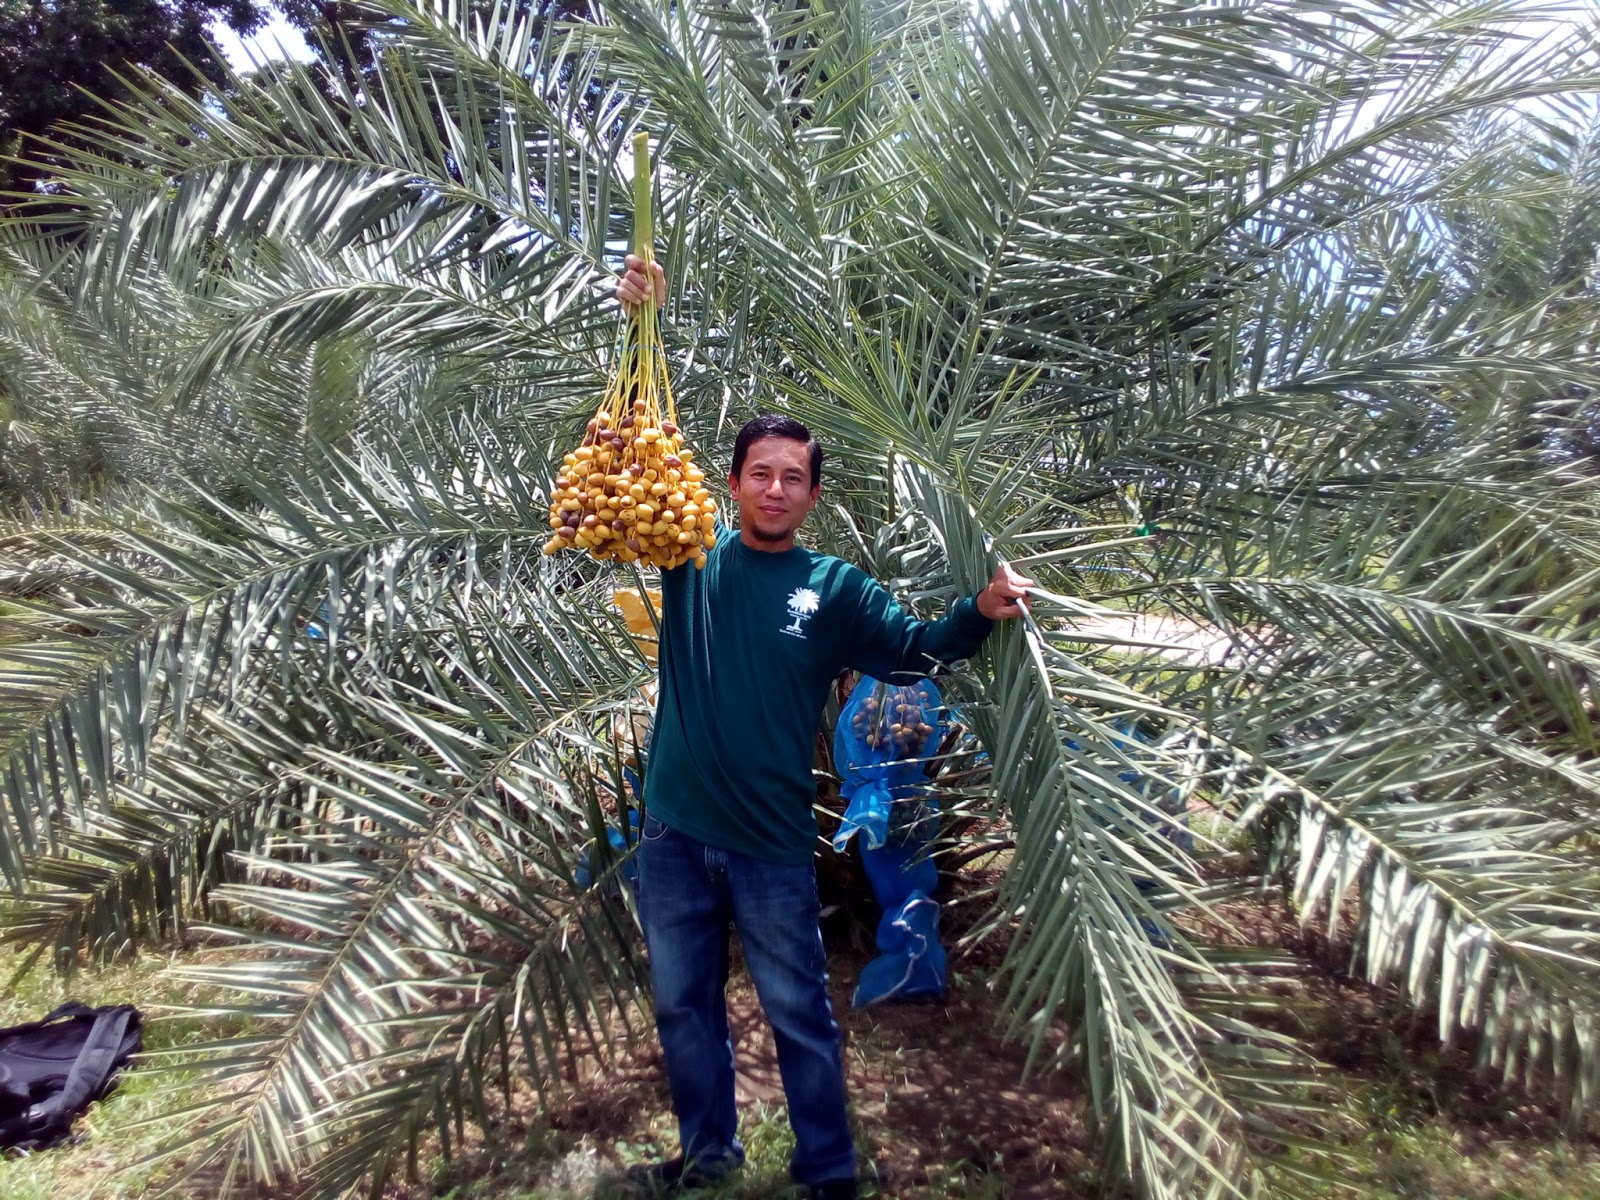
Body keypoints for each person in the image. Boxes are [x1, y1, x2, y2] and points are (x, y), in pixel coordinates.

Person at [615, 256, 1034, 1199]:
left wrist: (980, 610)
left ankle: (829, 1175)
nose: (773, 488)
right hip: (674, 836)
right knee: (684, 1010)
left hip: (770, 847)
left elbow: (916, 653)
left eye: (792, 477)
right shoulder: (688, 558)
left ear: (811, 494)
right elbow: (634, 450)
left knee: (801, 1014)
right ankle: (707, 1161)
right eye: (758, 473)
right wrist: (638, 326)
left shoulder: (835, 586)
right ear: (730, 484)